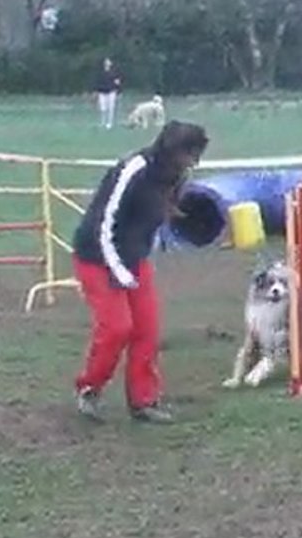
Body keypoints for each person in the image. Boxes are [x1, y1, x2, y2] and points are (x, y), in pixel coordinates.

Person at [72, 120, 209, 423]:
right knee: (117, 328)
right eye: (189, 155)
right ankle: (89, 388)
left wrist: (186, 220)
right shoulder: (134, 170)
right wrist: (117, 270)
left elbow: (165, 207)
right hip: (97, 255)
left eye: (196, 156)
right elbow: (102, 222)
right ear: (171, 150)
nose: (192, 163)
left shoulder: (174, 175)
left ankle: (143, 401)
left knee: (147, 331)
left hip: (135, 258)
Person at [94, 57, 122, 130]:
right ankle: (103, 122)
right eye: (106, 61)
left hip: (111, 92)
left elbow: (117, 82)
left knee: (111, 108)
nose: (107, 63)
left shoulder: (114, 72)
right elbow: (97, 82)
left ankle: (109, 123)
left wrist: (119, 91)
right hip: (102, 92)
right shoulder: (100, 72)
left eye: (109, 61)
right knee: (103, 108)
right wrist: (97, 91)